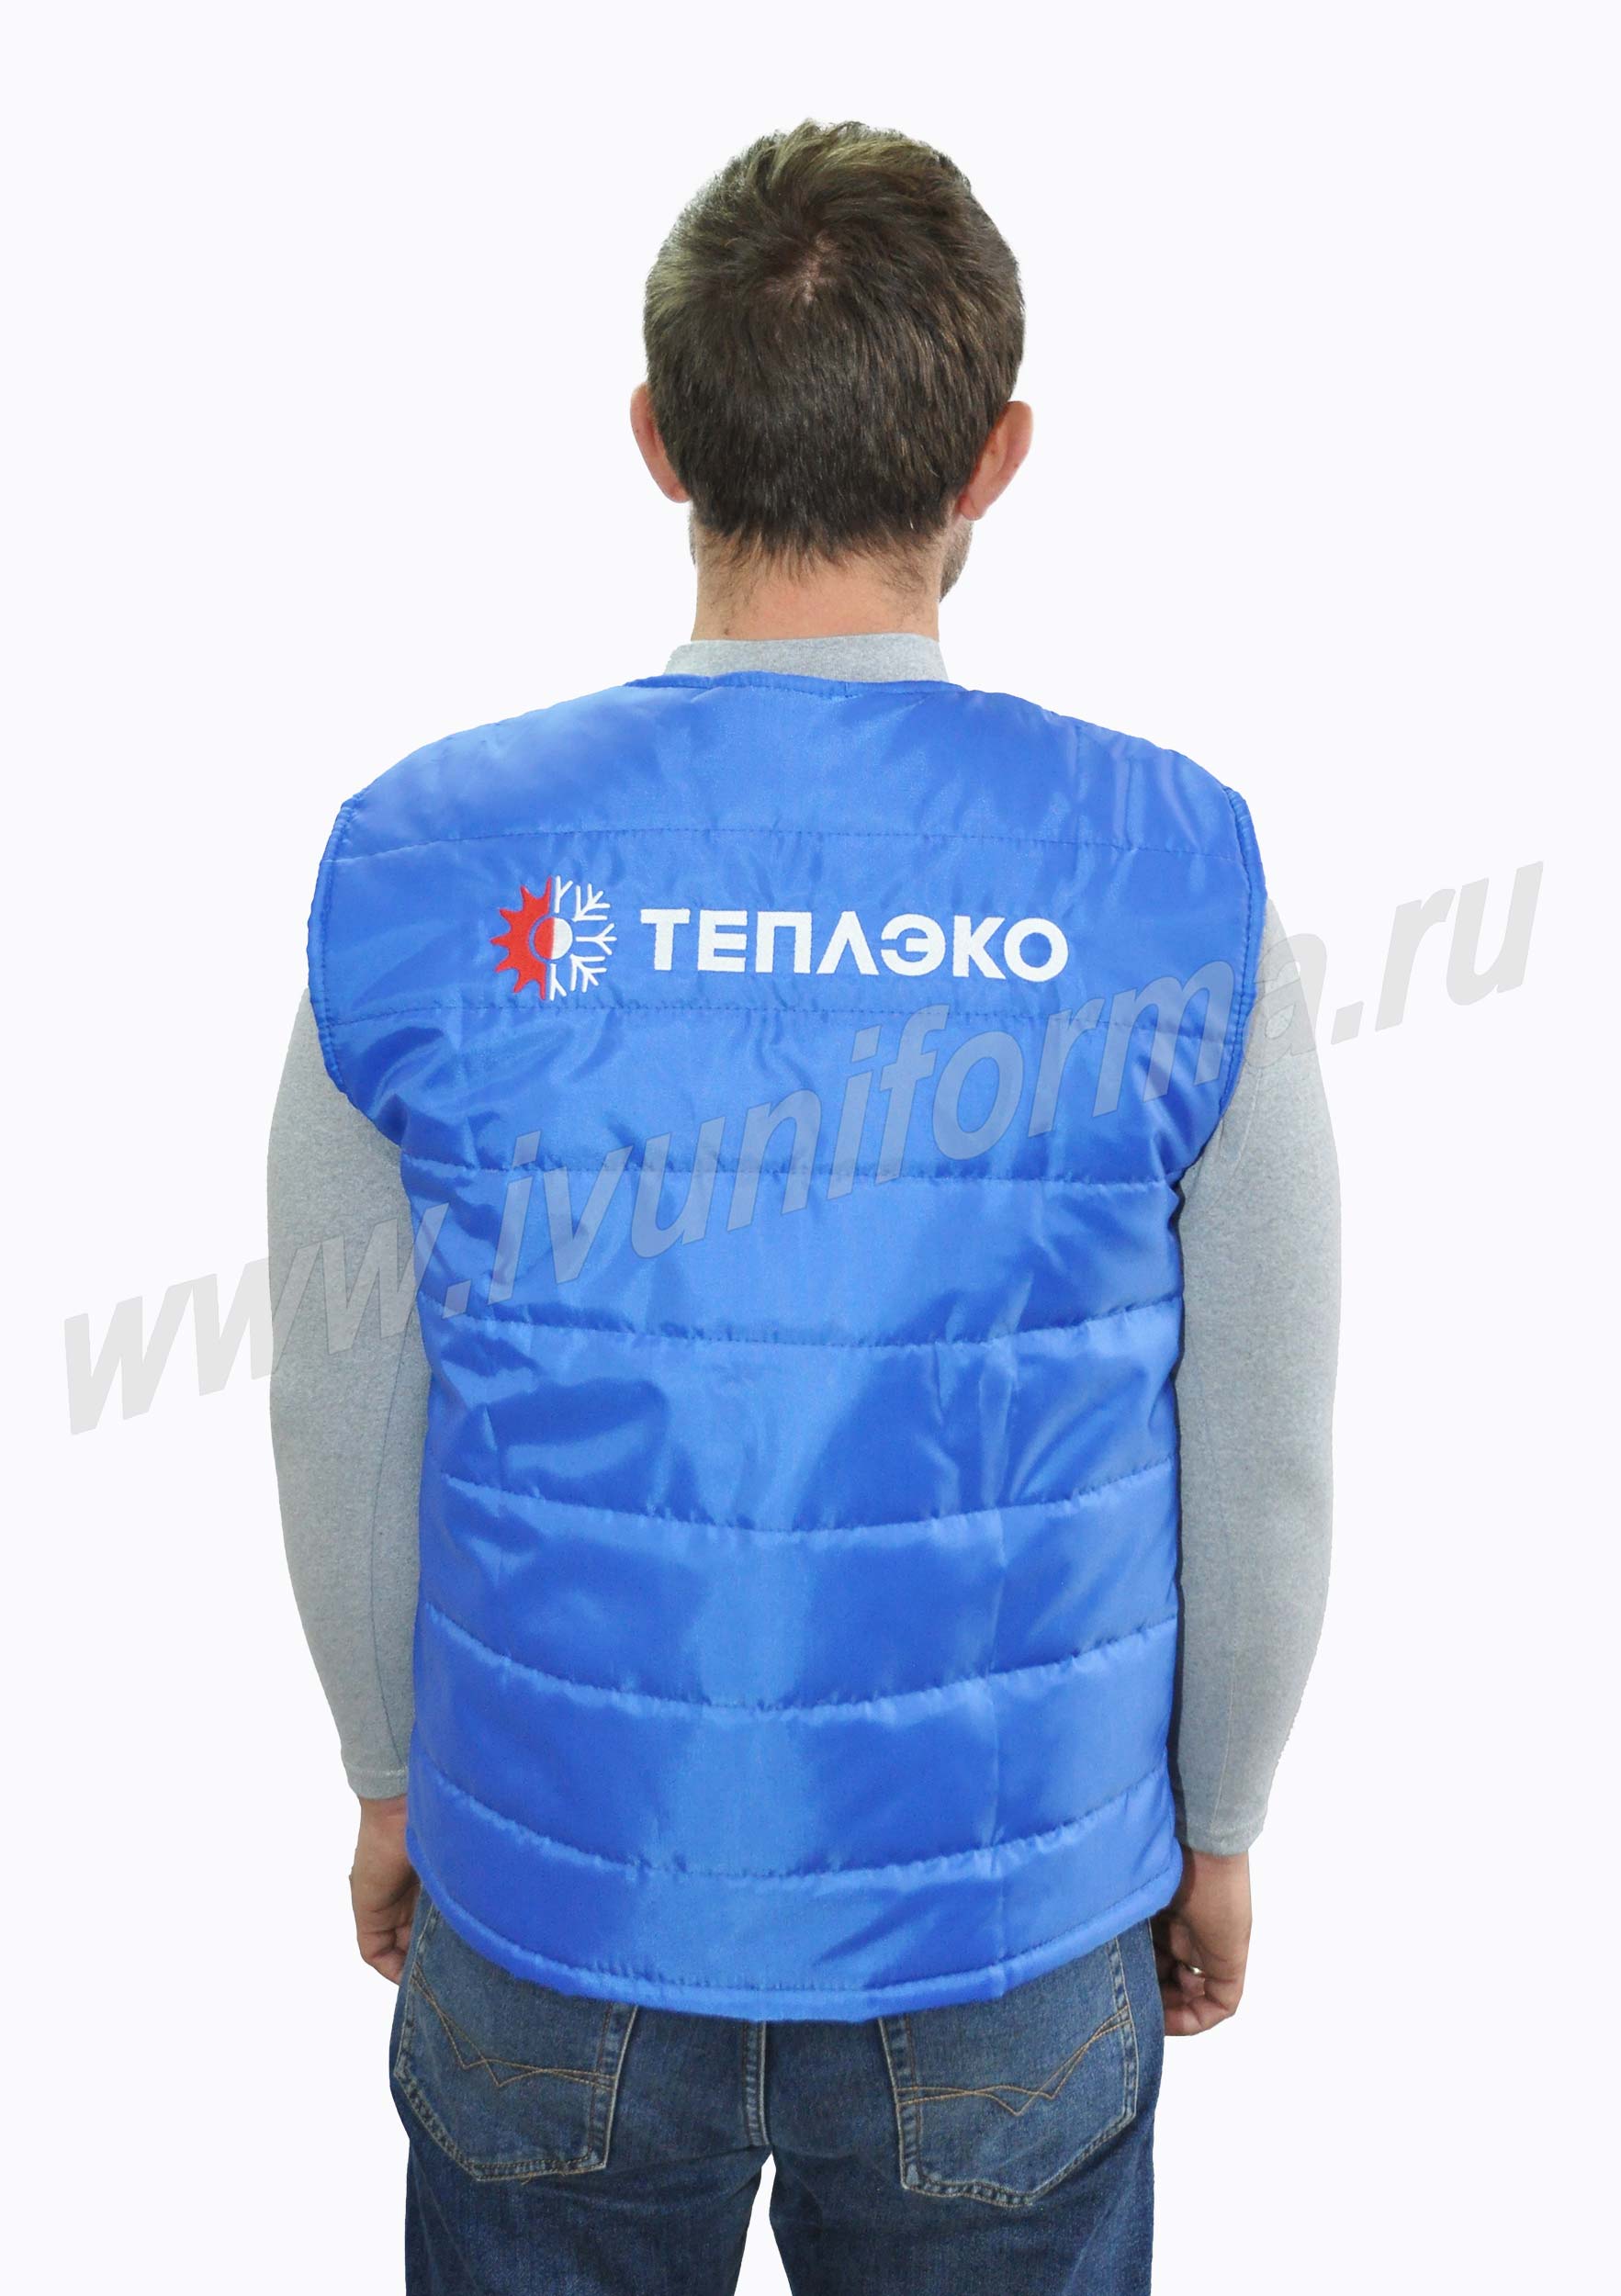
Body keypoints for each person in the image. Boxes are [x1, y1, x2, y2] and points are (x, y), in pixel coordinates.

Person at [270, 119, 1338, 2296]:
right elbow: (1261, 1441)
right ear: (996, 457)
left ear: (658, 441)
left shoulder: (429, 859)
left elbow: (340, 1397)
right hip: (1009, 1928)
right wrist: (1215, 1818)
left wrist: (391, 1773)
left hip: (553, 1902)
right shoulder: (1171, 871)